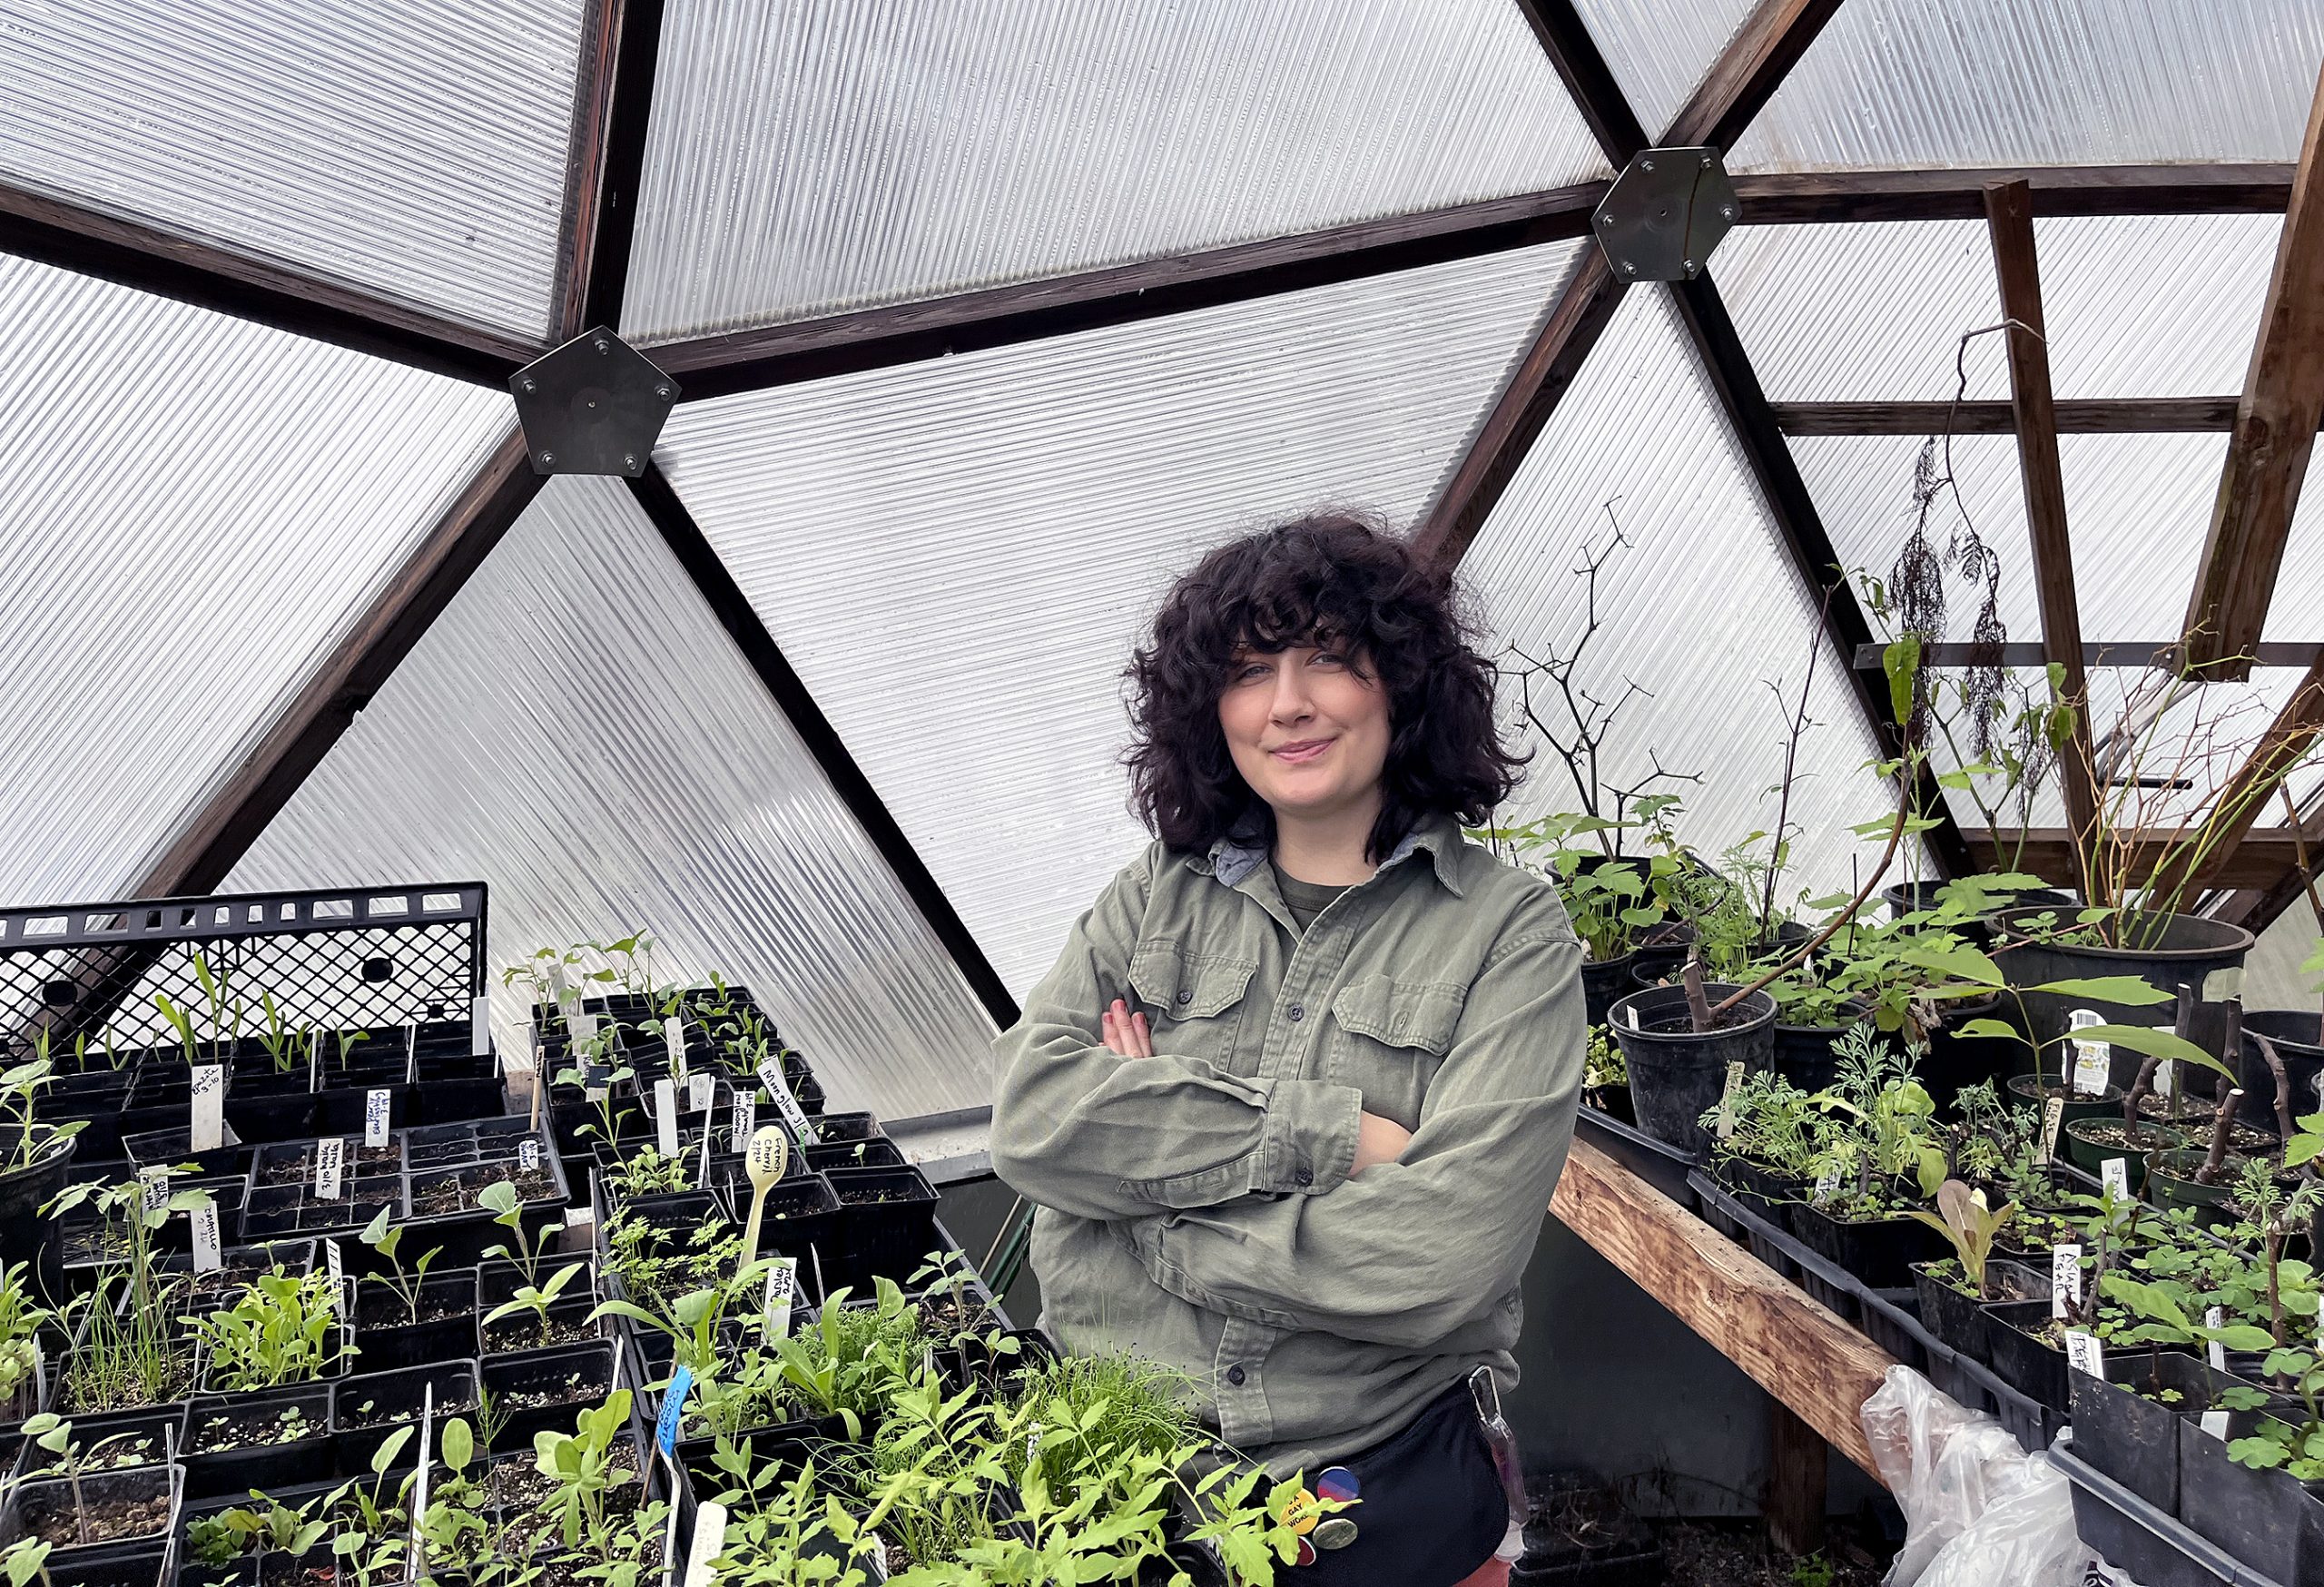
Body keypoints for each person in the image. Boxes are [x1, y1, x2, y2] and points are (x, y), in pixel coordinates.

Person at [990, 515, 1589, 1584]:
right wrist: (1333, 1135)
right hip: (1113, 1468)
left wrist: (1150, 1207)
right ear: (1207, 708)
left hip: (1376, 1483)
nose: (1287, 703)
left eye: (1328, 658)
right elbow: (1033, 1117)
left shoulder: (1509, 935)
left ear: (1401, 684)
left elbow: (1443, 1259)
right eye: (1247, 671)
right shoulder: (1155, 893)